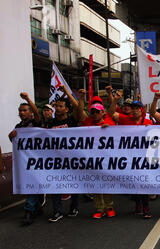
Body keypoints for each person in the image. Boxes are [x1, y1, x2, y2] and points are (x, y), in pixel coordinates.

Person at [107, 87, 154, 218]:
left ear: (141, 111)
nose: (134, 110)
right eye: (132, 108)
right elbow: (111, 113)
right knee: (134, 182)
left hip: (143, 158)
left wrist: (150, 130)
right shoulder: (124, 119)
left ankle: (146, 207)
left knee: (143, 182)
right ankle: (138, 205)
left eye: (136, 108)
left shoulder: (147, 122)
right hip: (129, 157)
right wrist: (114, 101)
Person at [77, 89, 117, 219]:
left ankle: (109, 206)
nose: (94, 114)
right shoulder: (88, 122)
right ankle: (99, 208)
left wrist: (109, 129)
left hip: (106, 160)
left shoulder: (109, 122)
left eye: (97, 112)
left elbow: (118, 136)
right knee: (96, 185)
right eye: (92, 112)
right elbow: (79, 113)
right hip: (92, 160)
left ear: (102, 112)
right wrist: (81, 99)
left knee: (107, 183)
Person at [46, 85, 81, 223]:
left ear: (66, 109)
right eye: (57, 107)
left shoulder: (71, 121)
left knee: (74, 184)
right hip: (56, 160)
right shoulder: (51, 123)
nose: (58, 109)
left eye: (61, 107)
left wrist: (66, 91)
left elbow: (78, 108)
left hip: (72, 159)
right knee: (56, 185)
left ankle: (74, 207)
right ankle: (57, 211)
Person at [8, 92, 42, 225]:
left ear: (30, 113)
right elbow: (16, 144)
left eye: (24, 110)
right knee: (31, 185)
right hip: (25, 162)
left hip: (38, 160)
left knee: (34, 185)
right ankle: (33, 209)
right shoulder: (18, 128)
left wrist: (28, 99)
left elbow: (38, 114)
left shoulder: (35, 123)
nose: (22, 113)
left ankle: (30, 210)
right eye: (20, 111)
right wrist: (11, 137)